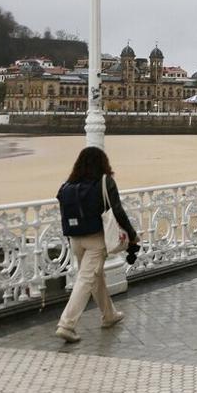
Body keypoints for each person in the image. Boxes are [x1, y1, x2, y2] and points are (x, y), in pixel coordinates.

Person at [54, 146, 139, 343]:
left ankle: (109, 315)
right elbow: (117, 211)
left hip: (75, 238)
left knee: (95, 276)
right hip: (96, 239)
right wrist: (132, 235)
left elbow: (63, 210)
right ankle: (66, 324)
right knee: (86, 279)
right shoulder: (104, 182)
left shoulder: (68, 184)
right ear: (103, 162)